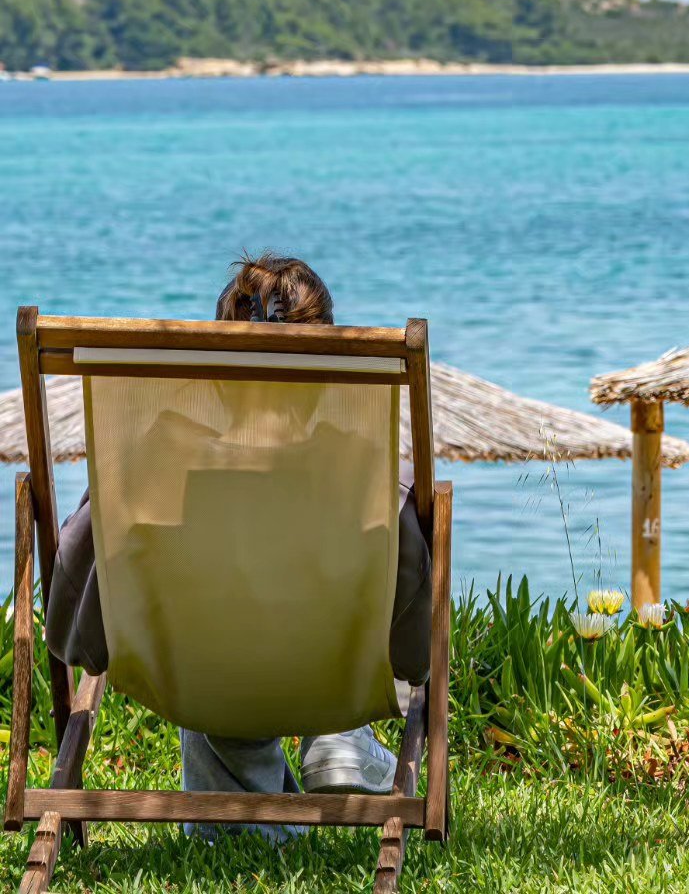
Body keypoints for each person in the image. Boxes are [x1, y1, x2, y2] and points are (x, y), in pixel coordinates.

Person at [45, 253, 432, 835]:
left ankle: (242, 820)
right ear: (328, 377)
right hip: (329, 680)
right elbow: (413, 648)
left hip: (196, 677)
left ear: (218, 373)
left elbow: (74, 618)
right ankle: (337, 739)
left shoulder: (152, 469)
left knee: (209, 639)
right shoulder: (366, 481)